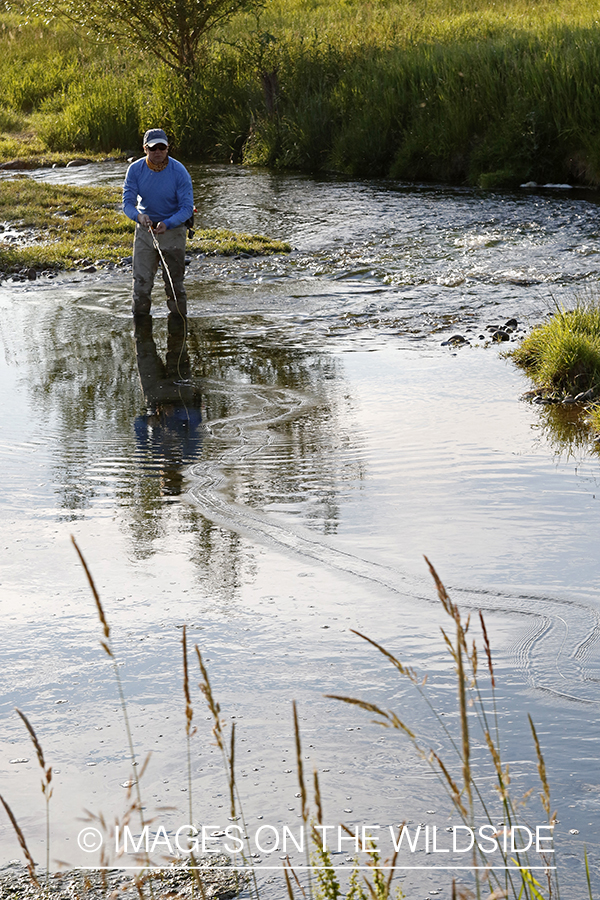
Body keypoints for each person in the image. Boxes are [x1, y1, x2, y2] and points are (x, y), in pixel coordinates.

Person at [123, 128, 194, 317]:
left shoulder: (179, 171)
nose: (158, 152)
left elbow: (187, 208)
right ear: (145, 149)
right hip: (145, 231)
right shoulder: (135, 170)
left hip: (173, 230)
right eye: (153, 148)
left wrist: (168, 223)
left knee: (175, 285)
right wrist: (139, 217)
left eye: (162, 147)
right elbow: (127, 204)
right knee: (141, 285)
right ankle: (140, 327)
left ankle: (179, 327)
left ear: (168, 148)